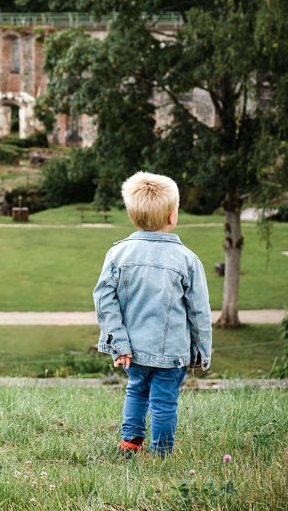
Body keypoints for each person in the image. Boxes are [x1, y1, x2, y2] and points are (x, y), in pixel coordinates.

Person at [93, 171, 212, 457]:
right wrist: (202, 352)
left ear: (133, 216)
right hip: (172, 353)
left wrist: (118, 343)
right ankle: (161, 452)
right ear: (172, 216)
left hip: (133, 350)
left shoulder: (117, 255)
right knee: (164, 402)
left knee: (136, 390)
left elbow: (103, 299)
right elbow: (199, 313)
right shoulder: (187, 260)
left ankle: (130, 443)